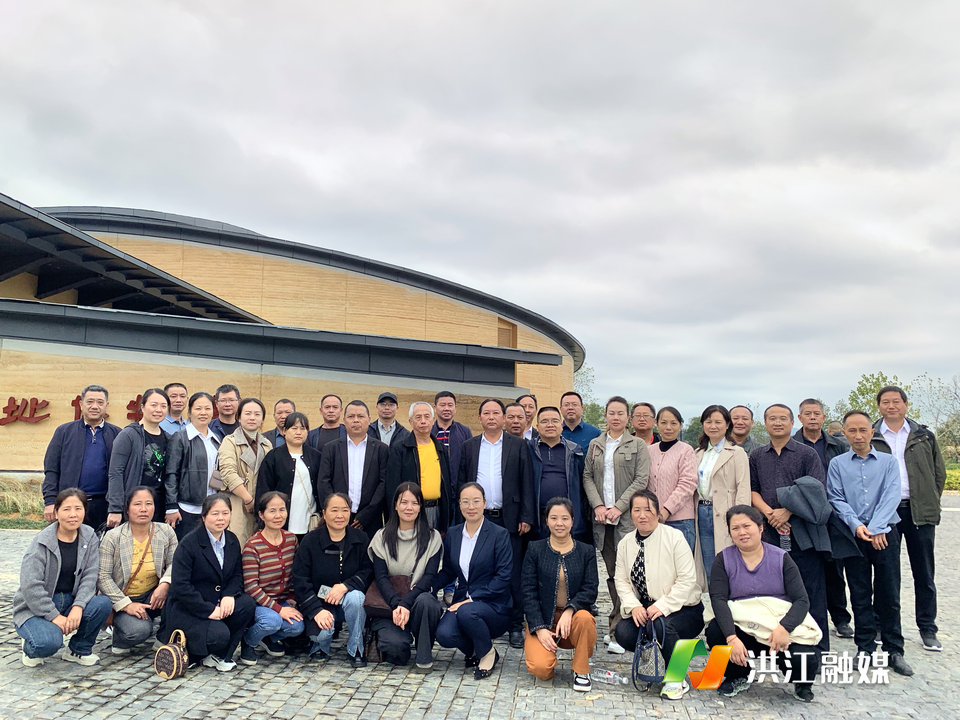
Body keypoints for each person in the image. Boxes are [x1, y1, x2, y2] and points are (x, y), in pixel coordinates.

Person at [706, 505, 821, 703]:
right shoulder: (723, 560)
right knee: (716, 631)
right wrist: (731, 637)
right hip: (744, 626)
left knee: (803, 657)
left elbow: (801, 600)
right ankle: (737, 675)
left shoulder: (781, 558)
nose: (742, 532)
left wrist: (785, 628)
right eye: (735, 528)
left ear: (760, 527)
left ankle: (802, 684)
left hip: (777, 627)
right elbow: (718, 599)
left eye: (747, 526)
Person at [827, 411, 913, 676]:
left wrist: (877, 528)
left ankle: (894, 649)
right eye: (852, 431)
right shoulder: (838, 464)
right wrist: (857, 525)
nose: (858, 435)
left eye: (863, 430)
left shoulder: (888, 461)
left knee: (889, 591)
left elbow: (892, 495)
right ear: (844, 432)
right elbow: (836, 497)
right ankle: (864, 647)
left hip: (885, 534)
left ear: (872, 432)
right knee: (860, 592)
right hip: (854, 535)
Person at [749, 403, 830, 652]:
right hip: (769, 529)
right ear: (765, 423)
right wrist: (769, 513)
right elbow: (752, 490)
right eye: (772, 418)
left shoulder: (806, 454)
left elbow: (816, 488)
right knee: (774, 587)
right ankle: (777, 642)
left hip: (803, 530)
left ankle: (817, 647)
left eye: (783, 418)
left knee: (810, 587)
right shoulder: (757, 455)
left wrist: (787, 511)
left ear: (792, 422)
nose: (778, 423)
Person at [871, 385, 946, 652]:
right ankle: (881, 624)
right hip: (884, 513)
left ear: (905, 404)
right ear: (878, 406)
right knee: (886, 572)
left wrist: (928, 500)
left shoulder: (923, 435)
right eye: (885, 402)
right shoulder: (872, 435)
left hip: (917, 511)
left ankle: (927, 627)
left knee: (924, 572)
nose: (891, 406)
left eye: (896, 401)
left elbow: (938, 474)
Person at [458, 398, 535, 648]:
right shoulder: (469, 446)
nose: (491, 417)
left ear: (503, 418)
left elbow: (527, 481)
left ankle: (515, 625)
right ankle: (483, 617)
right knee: (482, 570)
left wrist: (526, 516)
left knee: (512, 573)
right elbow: (462, 481)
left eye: (496, 413)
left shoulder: (518, 445)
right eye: (486, 413)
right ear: (479, 418)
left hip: (509, 518)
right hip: (477, 518)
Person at [614, 490, 704, 700]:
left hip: (684, 608)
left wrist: (662, 606)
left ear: (657, 512)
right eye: (637, 510)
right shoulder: (626, 542)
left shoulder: (674, 537)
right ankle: (658, 661)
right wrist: (634, 606)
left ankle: (677, 677)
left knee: (660, 625)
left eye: (648, 510)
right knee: (623, 632)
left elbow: (687, 579)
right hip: (646, 608)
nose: (642, 515)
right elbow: (621, 580)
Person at [13, 489, 113, 667]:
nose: (73, 514)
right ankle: (31, 643)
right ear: (57, 512)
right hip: (36, 606)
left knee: (103, 603)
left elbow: (90, 576)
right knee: (48, 643)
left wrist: (78, 606)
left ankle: (78, 650)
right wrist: (54, 617)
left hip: (70, 600)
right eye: (66, 509)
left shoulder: (89, 536)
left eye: (78, 508)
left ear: (84, 511)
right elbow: (31, 586)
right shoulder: (42, 542)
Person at [582, 396, 650, 654]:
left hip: (626, 519)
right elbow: (587, 476)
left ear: (627, 417)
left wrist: (619, 507)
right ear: (606, 416)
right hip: (602, 520)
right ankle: (616, 625)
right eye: (612, 413)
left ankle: (622, 631)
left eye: (621, 413)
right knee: (612, 574)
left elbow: (641, 479)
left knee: (629, 574)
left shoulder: (637, 445)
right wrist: (599, 506)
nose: (616, 417)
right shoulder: (595, 444)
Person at [163, 493, 256, 671]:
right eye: (215, 514)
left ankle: (221, 655)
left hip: (219, 601)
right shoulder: (189, 543)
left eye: (225, 513)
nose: (221, 518)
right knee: (219, 634)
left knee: (247, 604)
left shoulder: (232, 540)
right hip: (190, 608)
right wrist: (208, 609)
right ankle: (192, 654)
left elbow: (237, 575)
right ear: (204, 516)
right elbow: (181, 586)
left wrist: (229, 594)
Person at [434, 483, 513, 679]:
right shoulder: (454, 534)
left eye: (476, 501)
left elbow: (503, 576)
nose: (471, 507)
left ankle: (487, 654)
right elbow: (448, 571)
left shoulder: (499, 534)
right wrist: (427, 586)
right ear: (459, 505)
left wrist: (471, 599)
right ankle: (476, 650)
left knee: (467, 611)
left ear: (484, 503)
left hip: (494, 604)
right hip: (463, 603)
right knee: (444, 634)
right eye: (466, 502)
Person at [522, 497, 598, 692]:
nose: (559, 523)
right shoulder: (535, 549)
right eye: (554, 518)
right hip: (544, 619)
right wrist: (539, 628)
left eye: (565, 518)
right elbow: (528, 592)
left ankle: (581, 670)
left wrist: (570, 610)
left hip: (573, 620)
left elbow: (590, 589)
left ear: (572, 521)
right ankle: (547, 655)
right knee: (540, 668)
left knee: (585, 619)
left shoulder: (586, 551)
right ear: (546, 521)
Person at [794, 398, 853, 639]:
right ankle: (805, 618)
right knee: (804, 570)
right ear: (800, 418)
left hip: (832, 514)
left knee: (834, 569)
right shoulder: (792, 444)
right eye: (807, 414)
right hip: (802, 514)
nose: (812, 417)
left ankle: (840, 618)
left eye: (817, 413)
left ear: (824, 417)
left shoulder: (838, 445)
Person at [368, 483, 444, 669]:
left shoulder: (432, 537)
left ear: (420, 507)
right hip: (389, 605)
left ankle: (424, 656)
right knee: (396, 651)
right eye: (404, 502)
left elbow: (429, 577)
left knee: (427, 601)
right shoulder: (381, 537)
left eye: (414, 503)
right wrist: (396, 604)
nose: (409, 508)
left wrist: (406, 603)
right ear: (395, 505)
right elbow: (381, 577)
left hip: (417, 601)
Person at [292, 492, 373, 666]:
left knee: (357, 597)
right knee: (322, 634)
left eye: (345, 510)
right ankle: (319, 647)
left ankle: (356, 649)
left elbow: (368, 571)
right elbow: (300, 580)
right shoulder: (310, 541)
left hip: (348, 600)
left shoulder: (361, 538)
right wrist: (316, 610)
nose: (340, 515)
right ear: (324, 512)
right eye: (334, 510)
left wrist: (345, 586)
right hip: (320, 602)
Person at [98, 486, 178, 654]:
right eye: (137, 504)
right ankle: (121, 635)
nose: (143, 509)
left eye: (148, 503)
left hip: (154, 594)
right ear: (127, 508)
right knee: (138, 631)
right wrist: (126, 605)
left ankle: (163, 637)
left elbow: (175, 564)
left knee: (181, 594)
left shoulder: (166, 532)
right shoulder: (113, 537)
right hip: (124, 596)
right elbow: (103, 576)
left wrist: (164, 584)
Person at [42, 384, 121, 528]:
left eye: (100, 402)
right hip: (71, 503)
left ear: (106, 405)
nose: (94, 406)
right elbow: (51, 469)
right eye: (90, 402)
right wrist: (50, 501)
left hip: (104, 504)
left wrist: (117, 506)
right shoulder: (64, 432)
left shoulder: (118, 434)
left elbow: (121, 474)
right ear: (81, 404)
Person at [238, 491, 304, 665]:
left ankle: (267, 638)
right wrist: (278, 609)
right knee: (271, 621)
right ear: (261, 515)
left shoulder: (291, 539)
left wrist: (291, 597)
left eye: (282, 510)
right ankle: (248, 641)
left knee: (297, 626)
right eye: (272, 511)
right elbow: (250, 587)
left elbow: (295, 573)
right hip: (259, 603)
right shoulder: (253, 546)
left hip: (282, 600)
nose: (278, 515)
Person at [694, 405, 750, 584]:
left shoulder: (737, 453)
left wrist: (740, 518)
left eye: (718, 422)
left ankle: (731, 599)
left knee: (729, 561)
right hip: (702, 511)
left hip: (727, 512)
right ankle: (714, 598)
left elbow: (743, 487)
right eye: (708, 422)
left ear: (727, 425)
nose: (713, 426)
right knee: (708, 562)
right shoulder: (698, 453)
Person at [318, 400, 388, 533]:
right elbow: (323, 482)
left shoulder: (381, 449)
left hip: (370, 520)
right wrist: (336, 510)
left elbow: (384, 484)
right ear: (344, 420)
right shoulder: (331, 448)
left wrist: (367, 515)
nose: (356, 420)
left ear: (369, 420)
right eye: (351, 416)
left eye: (360, 416)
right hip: (337, 519)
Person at [106, 388, 171, 527]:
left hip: (158, 505)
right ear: (142, 407)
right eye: (153, 405)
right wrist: (115, 508)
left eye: (163, 406)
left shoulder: (168, 438)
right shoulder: (128, 435)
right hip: (133, 505)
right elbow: (115, 472)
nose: (158, 410)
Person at [163, 392, 222, 540]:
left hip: (211, 506)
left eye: (207, 408)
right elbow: (171, 473)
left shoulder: (215, 439)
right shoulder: (180, 437)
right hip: (186, 508)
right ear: (190, 412)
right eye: (198, 408)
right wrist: (171, 506)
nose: (203, 413)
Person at [387, 402, 454, 531]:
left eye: (427, 416)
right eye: (418, 417)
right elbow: (392, 488)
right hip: (410, 511)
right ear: (410, 421)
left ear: (433, 420)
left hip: (437, 510)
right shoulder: (400, 449)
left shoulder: (440, 448)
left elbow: (446, 485)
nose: (423, 421)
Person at [256, 412, 322, 537]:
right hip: (281, 520)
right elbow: (263, 488)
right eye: (294, 428)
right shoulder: (273, 457)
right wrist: (261, 520)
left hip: (309, 521)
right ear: (284, 431)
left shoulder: (316, 456)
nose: (299, 432)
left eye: (303, 428)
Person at [529, 406, 588, 542]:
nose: (550, 425)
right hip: (538, 518)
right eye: (544, 421)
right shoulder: (528, 449)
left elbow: (583, 484)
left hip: (567, 516)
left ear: (561, 425)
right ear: (537, 426)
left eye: (554, 421)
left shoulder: (575, 450)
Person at [219, 398, 273, 545]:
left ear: (262, 419)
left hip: (261, 504)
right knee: (237, 543)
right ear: (239, 417)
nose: (252, 418)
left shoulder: (266, 444)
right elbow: (228, 473)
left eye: (257, 414)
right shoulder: (230, 441)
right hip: (237, 501)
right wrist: (248, 499)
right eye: (247, 413)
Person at [647, 407, 698, 553]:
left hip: (680, 521)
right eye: (664, 423)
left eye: (674, 423)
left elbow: (688, 484)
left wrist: (666, 510)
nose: (668, 427)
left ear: (680, 426)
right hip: (653, 520)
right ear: (657, 424)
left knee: (680, 564)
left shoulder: (686, 450)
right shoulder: (649, 451)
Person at [432, 391, 473, 490]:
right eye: (442, 405)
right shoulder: (428, 432)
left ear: (455, 408)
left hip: (458, 488)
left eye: (450, 405)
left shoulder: (465, 431)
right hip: (434, 487)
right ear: (435, 408)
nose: (446, 408)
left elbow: (470, 461)